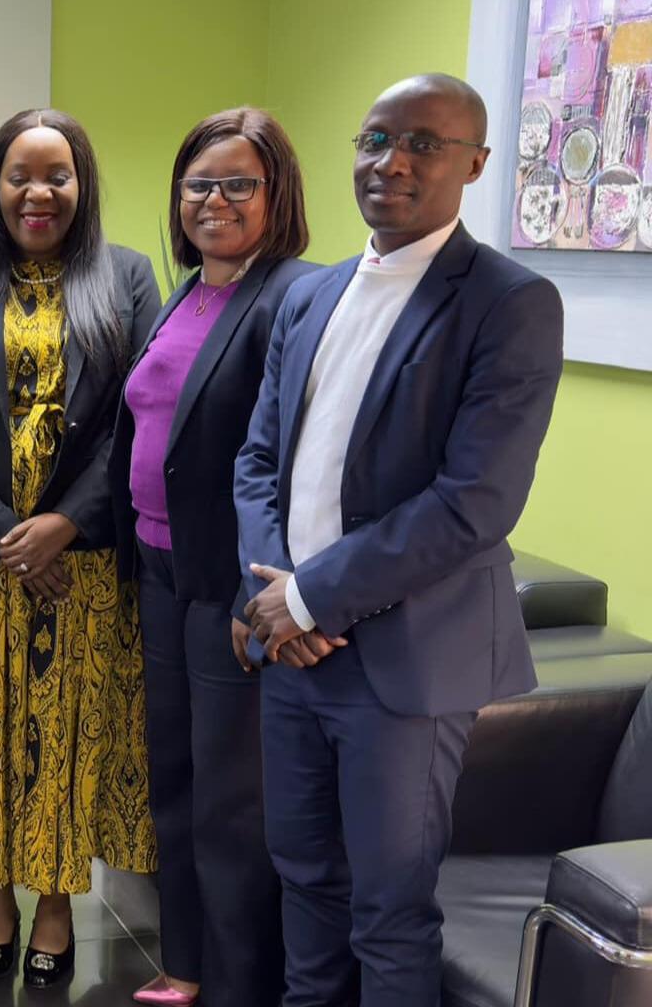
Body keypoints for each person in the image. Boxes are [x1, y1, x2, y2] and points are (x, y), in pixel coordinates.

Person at [234, 74, 564, 1007]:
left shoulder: (508, 302)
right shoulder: (311, 295)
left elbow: (474, 502)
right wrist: (270, 597)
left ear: (477, 164)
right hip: (293, 655)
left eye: (424, 143)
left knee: (389, 912)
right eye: (376, 139)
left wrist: (306, 598)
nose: (392, 162)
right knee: (304, 878)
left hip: (405, 665)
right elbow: (258, 460)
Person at [0, 107, 162, 988]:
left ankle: (55, 903)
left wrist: (65, 523)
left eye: (57, 175)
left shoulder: (126, 278)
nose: (37, 193)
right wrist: (6, 534)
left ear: (82, 184)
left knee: (65, 738)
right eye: (20, 175)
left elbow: (137, 416)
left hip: (83, 567)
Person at [112, 108, 314, 1007]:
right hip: (160, 570)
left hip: (230, 583)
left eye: (239, 184)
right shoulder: (187, 291)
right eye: (199, 184)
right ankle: (187, 964)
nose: (214, 201)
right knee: (176, 778)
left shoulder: (293, 297)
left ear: (277, 194)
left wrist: (254, 588)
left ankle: (237, 984)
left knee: (232, 800)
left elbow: (294, 460)